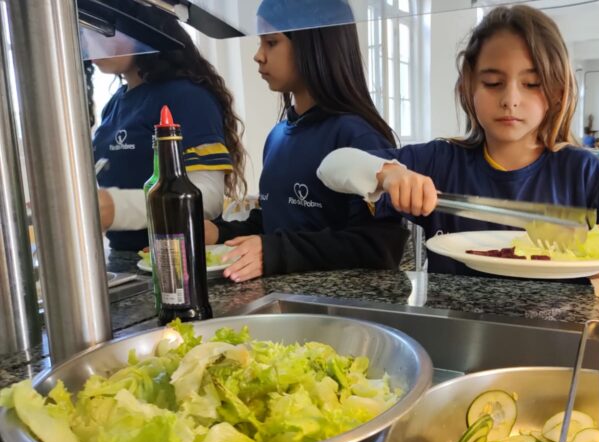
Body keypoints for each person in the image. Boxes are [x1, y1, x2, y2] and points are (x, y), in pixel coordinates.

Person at [318, 5, 599, 299]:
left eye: (531, 84)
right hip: (457, 334)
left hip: (559, 341)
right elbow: (333, 164)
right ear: (468, 84)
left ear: (558, 91)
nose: (510, 99)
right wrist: (390, 173)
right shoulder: (441, 162)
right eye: (492, 82)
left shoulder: (584, 173)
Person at [204, 0, 408, 282]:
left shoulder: (357, 136)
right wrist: (220, 233)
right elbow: (280, 225)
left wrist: (275, 253)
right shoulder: (277, 137)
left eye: (271, 42)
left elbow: (378, 247)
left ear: (313, 45)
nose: (258, 56)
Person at [91, 10, 246, 252]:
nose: (94, 42)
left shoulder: (186, 97)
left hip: (176, 259)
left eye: (106, 30)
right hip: (126, 259)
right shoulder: (115, 103)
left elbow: (208, 198)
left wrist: (117, 207)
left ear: (143, 30)